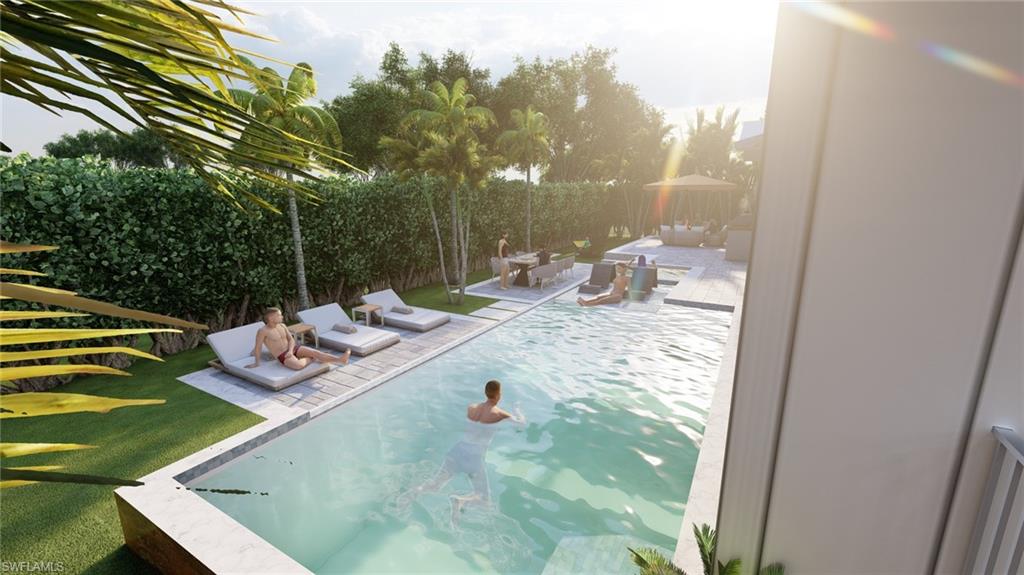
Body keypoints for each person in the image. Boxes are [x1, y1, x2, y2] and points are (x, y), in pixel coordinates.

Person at [396, 380, 524, 527]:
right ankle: (460, 501)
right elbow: (521, 424)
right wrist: (517, 409)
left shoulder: (472, 408)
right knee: (484, 500)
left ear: (485, 392)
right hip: (474, 458)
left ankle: (411, 494)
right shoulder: (500, 414)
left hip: (457, 451)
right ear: (499, 395)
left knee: (435, 485)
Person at [246, 307, 350, 370]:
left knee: (317, 352)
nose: (282, 317)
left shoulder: (282, 326)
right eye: (279, 315)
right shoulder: (263, 331)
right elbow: (258, 347)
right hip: (282, 355)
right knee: (299, 366)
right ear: (271, 318)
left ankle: (341, 359)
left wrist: (291, 351)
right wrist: (256, 363)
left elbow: (291, 340)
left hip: (293, 349)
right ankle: (312, 358)